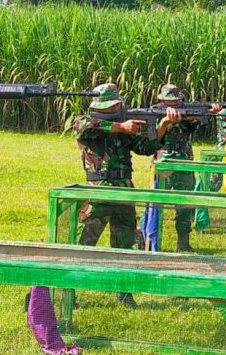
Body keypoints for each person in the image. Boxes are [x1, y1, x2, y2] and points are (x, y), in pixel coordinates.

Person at [75, 83, 179, 306]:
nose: (113, 110)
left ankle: (124, 293)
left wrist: (163, 125)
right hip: (99, 193)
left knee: (123, 245)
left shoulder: (123, 127)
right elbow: (84, 127)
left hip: (124, 191)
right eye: (109, 108)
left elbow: (145, 147)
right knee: (81, 244)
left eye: (114, 107)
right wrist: (120, 126)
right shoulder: (86, 122)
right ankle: (66, 292)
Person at [150, 84, 221, 252]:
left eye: (176, 102)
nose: (173, 105)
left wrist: (208, 112)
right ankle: (147, 239)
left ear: (181, 100)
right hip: (163, 164)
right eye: (168, 102)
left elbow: (195, 125)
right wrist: (165, 122)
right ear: (161, 100)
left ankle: (183, 242)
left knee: (185, 205)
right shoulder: (153, 113)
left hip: (184, 163)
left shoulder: (188, 112)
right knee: (154, 204)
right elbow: (152, 139)